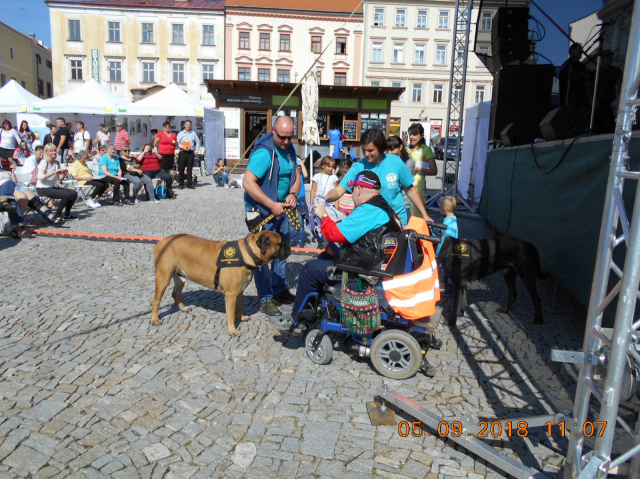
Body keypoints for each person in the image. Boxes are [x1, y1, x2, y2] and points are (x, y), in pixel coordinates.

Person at [270, 171, 403, 330]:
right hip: (373, 262)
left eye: (352, 190)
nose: (351, 195)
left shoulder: (369, 210)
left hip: (364, 272)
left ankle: (298, 320)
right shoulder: (382, 206)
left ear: (359, 189)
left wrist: (323, 215)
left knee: (309, 270)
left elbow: (334, 234)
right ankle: (310, 309)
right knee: (325, 256)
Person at [244, 115, 300, 316]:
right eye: (282, 137)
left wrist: (293, 194)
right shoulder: (264, 153)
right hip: (261, 211)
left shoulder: (290, 149)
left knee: (281, 250)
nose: (286, 141)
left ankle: (279, 289)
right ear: (273, 131)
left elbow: (296, 176)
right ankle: (265, 298)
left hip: (282, 209)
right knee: (261, 255)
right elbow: (248, 182)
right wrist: (270, 204)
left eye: (290, 137)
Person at [325, 128, 433, 227]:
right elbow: (339, 191)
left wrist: (424, 215)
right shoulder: (358, 167)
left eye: (370, 150)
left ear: (380, 148)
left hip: (396, 222)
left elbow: (410, 190)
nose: (366, 154)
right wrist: (324, 198)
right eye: (363, 150)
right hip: (369, 223)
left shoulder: (396, 162)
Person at [36, 144, 77, 225]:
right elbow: (40, 177)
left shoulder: (56, 163)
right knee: (66, 195)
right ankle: (57, 215)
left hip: (51, 187)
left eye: (55, 151)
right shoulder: (44, 162)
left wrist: (64, 174)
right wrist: (54, 172)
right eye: (51, 151)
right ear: (47, 152)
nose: (54, 152)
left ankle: (67, 214)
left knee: (73, 193)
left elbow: (58, 179)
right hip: (42, 188)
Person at [406, 124, 437, 218]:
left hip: (418, 186)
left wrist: (420, 169)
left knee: (416, 217)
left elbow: (434, 170)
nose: (412, 137)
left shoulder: (426, 149)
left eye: (415, 134)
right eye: (410, 134)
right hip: (405, 185)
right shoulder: (406, 149)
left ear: (421, 135)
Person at [559, 43, 592, 119]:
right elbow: (574, 77)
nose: (581, 52)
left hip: (582, 100)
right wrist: (582, 75)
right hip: (571, 100)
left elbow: (589, 76)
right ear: (573, 51)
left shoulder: (581, 65)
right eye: (579, 50)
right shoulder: (567, 65)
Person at [594, 50, 623, 134]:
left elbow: (620, 86)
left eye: (611, 57)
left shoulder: (616, 71)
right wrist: (593, 101)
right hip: (599, 103)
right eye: (607, 56)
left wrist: (619, 100)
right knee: (598, 126)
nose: (610, 59)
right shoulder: (596, 72)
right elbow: (590, 87)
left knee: (611, 123)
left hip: (611, 102)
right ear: (602, 59)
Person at [387, 135, 415, 219]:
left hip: (403, 204)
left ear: (400, 147)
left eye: (392, 149)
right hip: (388, 203)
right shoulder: (386, 161)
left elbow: (402, 183)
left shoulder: (408, 162)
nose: (389, 153)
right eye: (387, 150)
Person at [435, 196, 459, 294]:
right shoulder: (452, 220)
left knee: (446, 269)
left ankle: (448, 286)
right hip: (452, 250)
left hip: (448, 252)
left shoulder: (448, 224)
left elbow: (445, 240)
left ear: (444, 209)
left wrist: (437, 253)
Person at [176, 119, 201, 189]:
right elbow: (177, 143)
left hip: (190, 152)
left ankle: (189, 184)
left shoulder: (193, 133)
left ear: (191, 126)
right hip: (182, 152)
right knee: (181, 168)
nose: (188, 126)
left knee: (190, 168)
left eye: (189, 125)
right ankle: (181, 184)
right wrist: (183, 147)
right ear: (184, 125)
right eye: (187, 124)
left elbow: (198, 142)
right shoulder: (180, 133)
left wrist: (197, 150)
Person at [293, 156, 309, 247]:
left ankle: (300, 240)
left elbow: (306, 175)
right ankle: (292, 239)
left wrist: (302, 164)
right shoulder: (291, 175)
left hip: (300, 201)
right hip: (291, 201)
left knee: (300, 221)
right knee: (291, 222)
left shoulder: (301, 175)